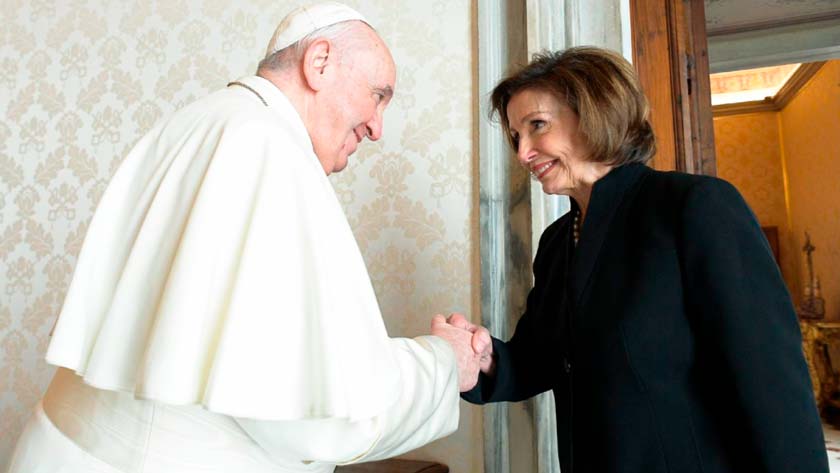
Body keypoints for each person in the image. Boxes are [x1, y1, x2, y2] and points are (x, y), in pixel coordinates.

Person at [6, 3, 485, 472]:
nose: (378, 127)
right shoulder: (269, 148)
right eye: (378, 96)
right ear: (319, 63)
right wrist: (445, 362)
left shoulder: (196, 122)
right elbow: (320, 417)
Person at [441, 46, 829, 472]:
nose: (523, 153)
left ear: (596, 114)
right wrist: (484, 359)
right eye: (517, 136)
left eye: (537, 126)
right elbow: (542, 360)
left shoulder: (695, 207)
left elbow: (772, 386)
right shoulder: (556, 241)